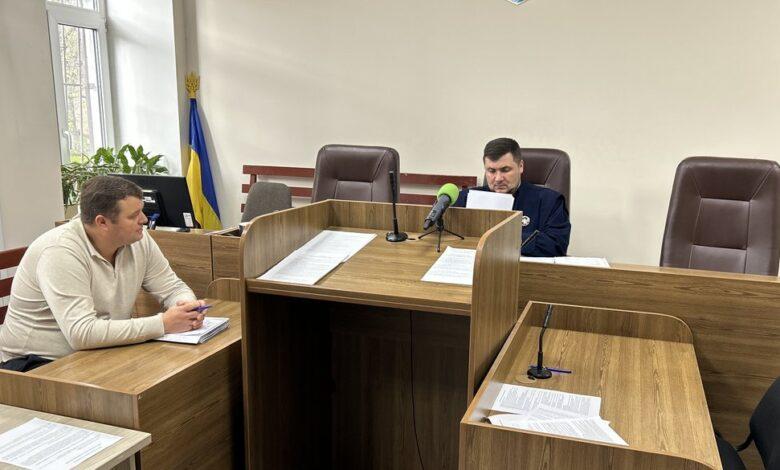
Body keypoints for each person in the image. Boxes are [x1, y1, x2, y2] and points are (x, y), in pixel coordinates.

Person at [0, 176, 207, 372]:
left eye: (141, 211)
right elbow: (81, 333)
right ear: (102, 222)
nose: (144, 220)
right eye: (133, 216)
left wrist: (188, 310)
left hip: (98, 353)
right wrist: (163, 323)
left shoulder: (137, 238)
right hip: (37, 365)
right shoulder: (59, 251)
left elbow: (172, 287)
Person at [453, 137, 571, 257]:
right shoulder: (465, 198)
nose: (498, 178)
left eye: (505, 170)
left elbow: (557, 245)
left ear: (521, 166)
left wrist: (502, 238)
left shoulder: (550, 201)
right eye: (491, 171)